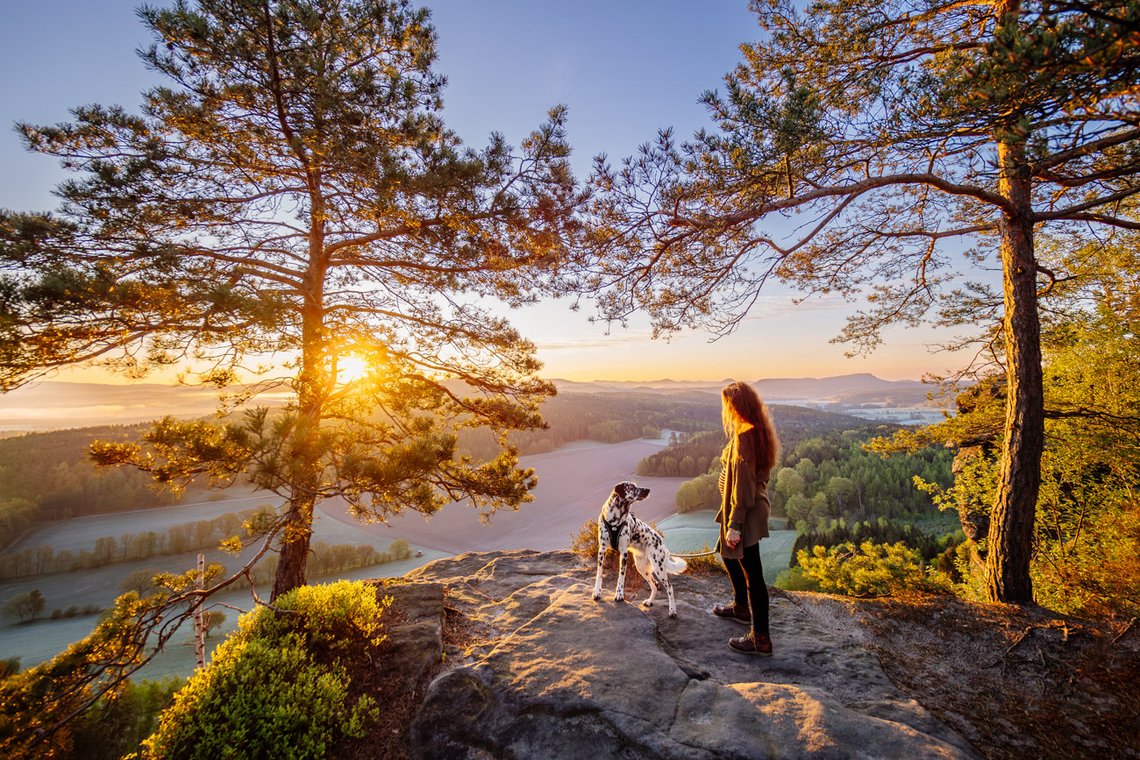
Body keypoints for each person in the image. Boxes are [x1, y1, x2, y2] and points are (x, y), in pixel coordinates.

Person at [714, 380, 780, 656]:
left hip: (745, 512)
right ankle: (741, 606)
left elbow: (743, 487)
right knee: (727, 555)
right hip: (742, 509)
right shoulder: (756, 432)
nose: (726, 410)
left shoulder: (745, 438)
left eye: (728, 404)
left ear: (737, 406)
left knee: (753, 573)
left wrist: (735, 525)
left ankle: (760, 638)